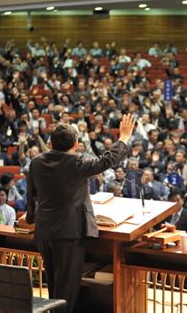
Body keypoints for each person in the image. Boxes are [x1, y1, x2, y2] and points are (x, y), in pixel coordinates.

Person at [25, 114, 135, 313]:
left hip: (43, 232)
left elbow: (31, 195)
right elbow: (106, 160)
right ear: (76, 145)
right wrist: (124, 138)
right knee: (66, 290)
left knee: (54, 283)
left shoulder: (35, 162)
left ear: (49, 143)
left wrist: (30, 219)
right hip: (68, 234)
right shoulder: (76, 163)